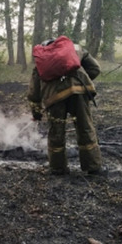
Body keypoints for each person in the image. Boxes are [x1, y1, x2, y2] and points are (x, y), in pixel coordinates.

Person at [27, 39, 103, 175]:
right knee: (85, 127)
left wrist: (36, 113)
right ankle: (93, 167)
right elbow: (95, 68)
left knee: (56, 132)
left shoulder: (41, 62)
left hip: (55, 97)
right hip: (78, 92)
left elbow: (34, 93)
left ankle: (58, 168)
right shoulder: (76, 49)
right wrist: (83, 79)